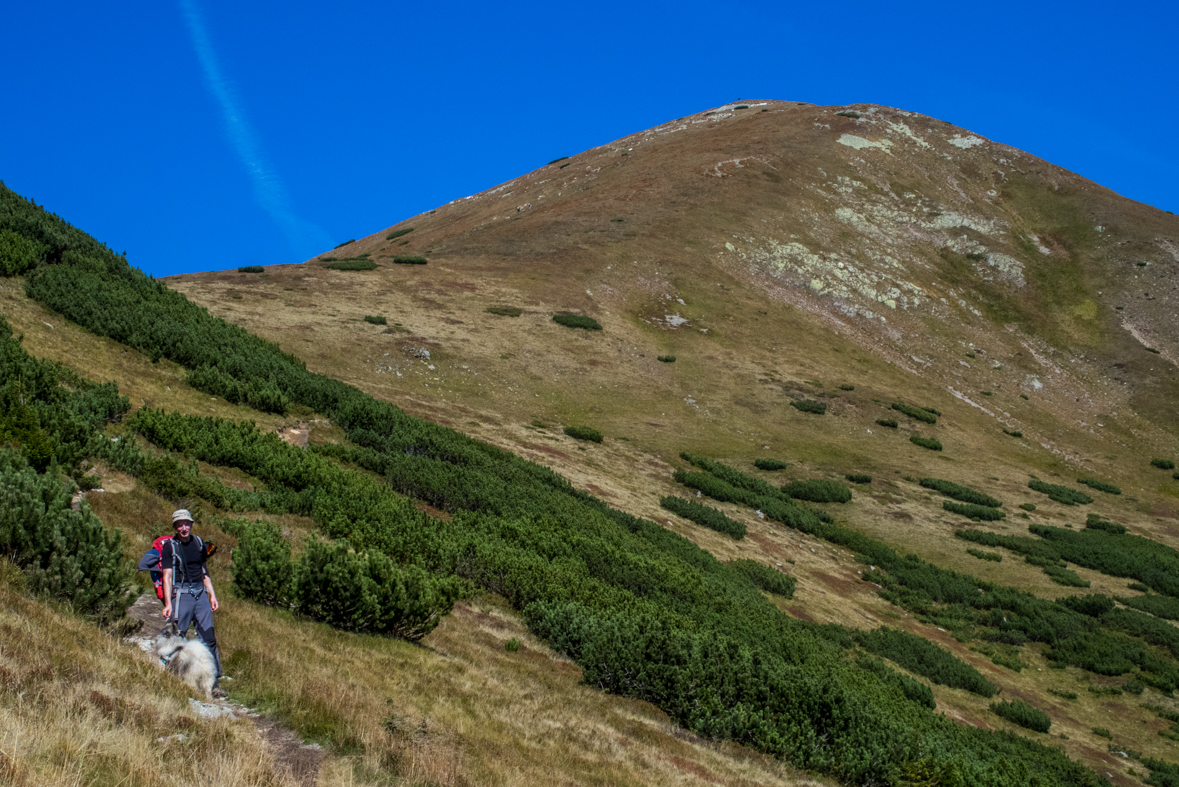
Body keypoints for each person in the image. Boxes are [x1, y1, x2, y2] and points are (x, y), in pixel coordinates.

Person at [160, 509, 224, 696]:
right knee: (177, 638)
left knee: (209, 638)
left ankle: (214, 681)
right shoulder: (169, 547)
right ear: (175, 527)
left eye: (187, 523)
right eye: (180, 524)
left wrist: (212, 594)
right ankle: (173, 677)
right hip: (181, 594)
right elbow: (167, 576)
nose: (184, 527)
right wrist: (168, 603)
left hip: (200, 594)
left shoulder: (198, 543)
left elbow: (203, 571)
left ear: (191, 524)